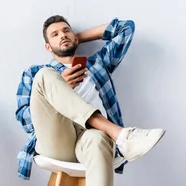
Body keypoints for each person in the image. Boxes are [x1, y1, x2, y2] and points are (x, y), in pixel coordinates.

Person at [14, 15, 166, 186]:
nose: (63, 35)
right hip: (57, 138)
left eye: (66, 31)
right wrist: (59, 87)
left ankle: (112, 133)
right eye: (55, 34)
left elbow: (126, 28)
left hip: (89, 138)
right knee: (45, 76)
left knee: (99, 139)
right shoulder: (36, 73)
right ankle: (121, 135)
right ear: (48, 47)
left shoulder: (97, 64)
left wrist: (77, 37)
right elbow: (26, 120)